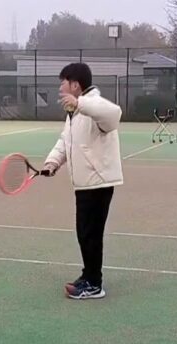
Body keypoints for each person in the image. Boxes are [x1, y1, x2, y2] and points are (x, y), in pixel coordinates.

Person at [43, 63, 124, 300]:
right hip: (84, 183)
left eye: (63, 82)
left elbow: (114, 114)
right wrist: (52, 162)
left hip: (97, 183)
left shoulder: (93, 105)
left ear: (75, 85)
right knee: (84, 233)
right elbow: (65, 140)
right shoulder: (74, 112)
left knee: (90, 234)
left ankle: (94, 285)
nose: (60, 88)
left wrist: (79, 104)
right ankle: (88, 276)